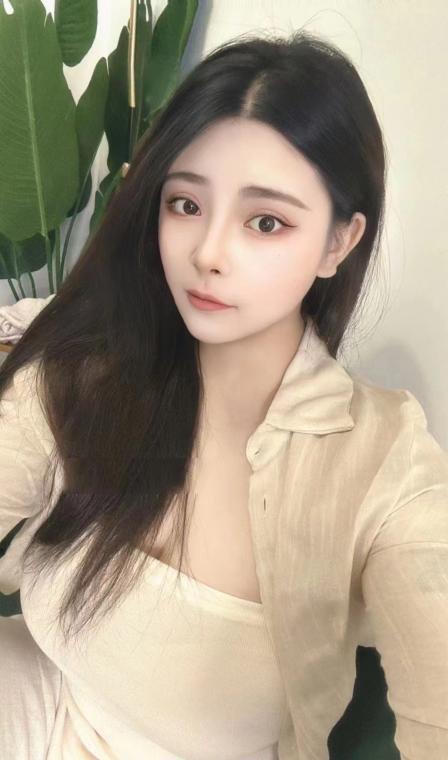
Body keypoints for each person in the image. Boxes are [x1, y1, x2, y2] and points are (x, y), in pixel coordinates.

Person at [1, 28, 447, 760]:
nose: (207, 253)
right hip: (36, 692)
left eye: (265, 221)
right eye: (185, 205)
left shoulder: (383, 462)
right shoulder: (93, 367)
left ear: (338, 243)